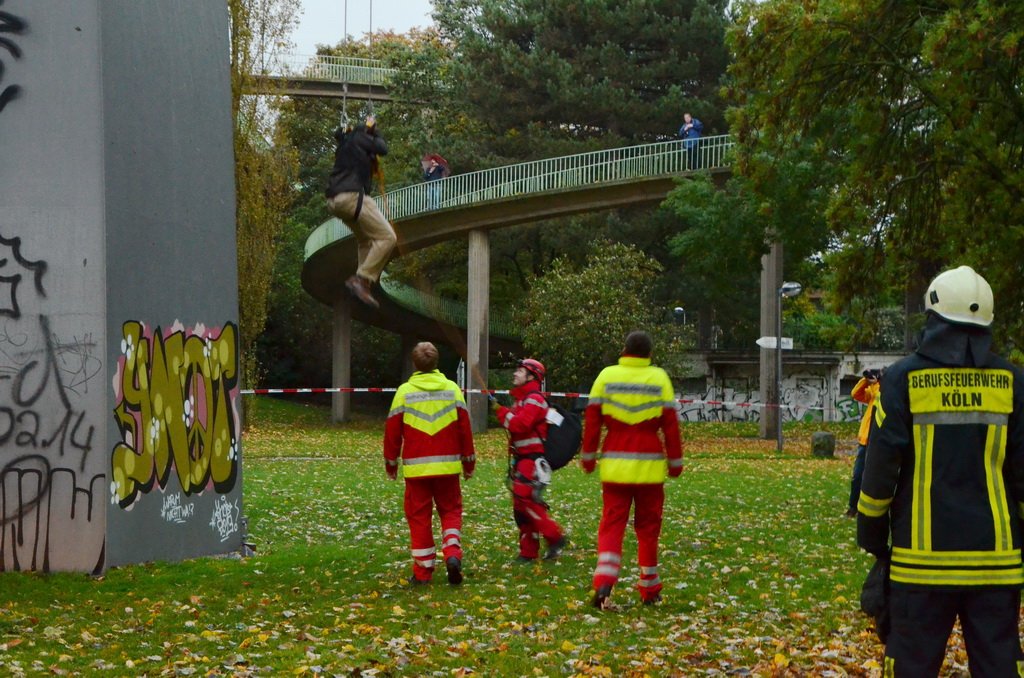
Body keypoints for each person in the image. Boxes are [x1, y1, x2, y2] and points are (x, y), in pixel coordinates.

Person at [857, 265, 1024, 676]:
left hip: (921, 565)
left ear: (932, 316)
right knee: (1001, 665)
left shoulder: (900, 380)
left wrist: (874, 537)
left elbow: (879, 473)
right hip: (997, 563)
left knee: (911, 666)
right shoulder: (1014, 383)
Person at [582, 331, 683, 608]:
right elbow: (671, 426)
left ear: (624, 349)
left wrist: (588, 457)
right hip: (650, 467)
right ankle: (650, 587)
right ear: (649, 354)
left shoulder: (606, 376)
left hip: (615, 465)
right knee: (648, 528)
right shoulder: (659, 378)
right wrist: (675, 462)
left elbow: (592, 422)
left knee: (612, 524)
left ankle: (605, 579)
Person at [384, 342, 476, 586]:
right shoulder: (452, 389)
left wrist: (391, 463)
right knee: (451, 510)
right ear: (437, 362)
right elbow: (465, 429)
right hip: (447, 467)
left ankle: (423, 572)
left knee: (419, 518)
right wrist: (468, 461)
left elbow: (392, 431)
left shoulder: (404, 392)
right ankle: (453, 554)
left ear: (415, 363)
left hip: (417, 469)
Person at [492, 358, 568, 563]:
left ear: (532, 376)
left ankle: (555, 536)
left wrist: (500, 411)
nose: (515, 374)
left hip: (532, 460)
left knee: (525, 499)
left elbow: (519, 425)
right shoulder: (523, 399)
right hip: (522, 459)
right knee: (521, 507)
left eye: (520, 370)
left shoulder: (534, 399)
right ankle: (528, 551)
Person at [325, 115, 396, 310]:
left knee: (366, 240)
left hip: (335, 201)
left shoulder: (346, 142)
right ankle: (362, 279)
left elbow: (340, 135)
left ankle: (361, 284)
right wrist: (373, 129)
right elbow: (382, 147)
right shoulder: (359, 137)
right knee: (387, 238)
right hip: (351, 198)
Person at [845, 368, 882, 518]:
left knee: (874, 476)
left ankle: (872, 508)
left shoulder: (881, 390)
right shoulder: (871, 393)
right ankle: (853, 507)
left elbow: (880, 396)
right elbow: (856, 394)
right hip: (865, 440)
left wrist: (877, 383)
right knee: (858, 476)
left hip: (878, 441)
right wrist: (865, 380)